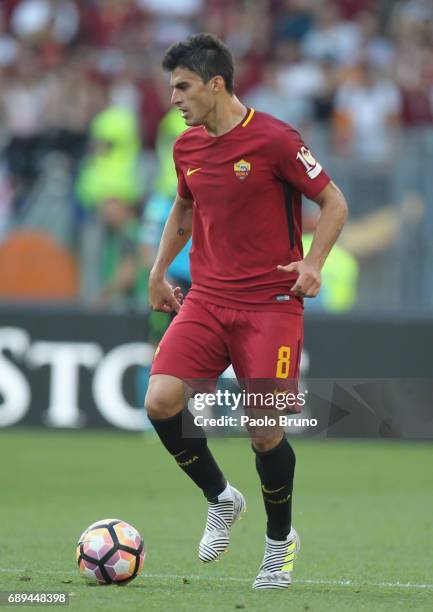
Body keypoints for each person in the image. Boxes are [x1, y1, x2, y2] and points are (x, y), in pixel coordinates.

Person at [144, 33, 348, 590]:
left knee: (262, 432)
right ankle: (221, 497)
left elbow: (334, 202)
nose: (175, 99)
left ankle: (280, 542)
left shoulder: (276, 139)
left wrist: (314, 263)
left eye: (183, 88)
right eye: (171, 89)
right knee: (161, 401)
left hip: (271, 306)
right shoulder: (186, 148)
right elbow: (184, 207)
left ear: (216, 84)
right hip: (207, 299)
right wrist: (160, 270)